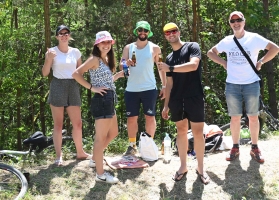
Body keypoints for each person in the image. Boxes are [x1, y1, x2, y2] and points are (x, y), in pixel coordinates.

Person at [207, 11, 279, 163]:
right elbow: (210, 52)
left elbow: (275, 48)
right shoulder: (227, 41)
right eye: (232, 21)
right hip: (232, 84)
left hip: (251, 84)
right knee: (235, 118)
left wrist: (261, 62)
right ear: (230, 24)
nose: (236, 23)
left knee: (253, 117)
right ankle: (235, 148)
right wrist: (223, 63)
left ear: (243, 21)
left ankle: (255, 148)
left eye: (238, 20)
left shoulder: (254, 38)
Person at [158, 22, 210, 184]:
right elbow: (169, 84)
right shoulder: (169, 58)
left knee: (198, 132)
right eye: (167, 33)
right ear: (165, 36)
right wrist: (166, 105)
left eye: (173, 31)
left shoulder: (192, 46)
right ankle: (183, 166)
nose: (171, 34)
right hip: (176, 99)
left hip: (194, 96)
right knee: (181, 132)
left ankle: (201, 168)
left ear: (179, 32)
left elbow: (193, 66)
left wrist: (170, 67)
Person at [72, 31, 125, 184]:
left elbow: (106, 81)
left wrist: (117, 76)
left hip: (109, 98)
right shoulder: (94, 59)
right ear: (97, 44)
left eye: (108, 42)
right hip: (102, 100)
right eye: (103, 43)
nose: (106, 45)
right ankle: (100, 174)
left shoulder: (105, 59)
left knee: (114, 132)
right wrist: (92, 88)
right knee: (100, 139)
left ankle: (96, 158)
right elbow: (76, 74)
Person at [42, 25, 91, 166]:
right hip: (57, 85)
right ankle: (58, 156)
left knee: (78, 123)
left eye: (66, 33)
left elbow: (80, 72)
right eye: (61, 33)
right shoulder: (51, 52)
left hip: (73, 85)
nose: (64, 36)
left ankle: (80, 153)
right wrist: (48, 59)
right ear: (57, 36)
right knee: (58, 124)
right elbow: (45, 73)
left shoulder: (75, 52)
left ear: (69, 36)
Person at [121, 21, 166, 155]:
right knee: (131, 118)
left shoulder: (155, 48)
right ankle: (132, 145)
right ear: (136, 31)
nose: (142, 32)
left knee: (150, 117)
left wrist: (164, 85)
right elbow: (122, 66)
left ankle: (148, 145)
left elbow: (160, 67)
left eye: (145, 30)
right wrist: (125, 64)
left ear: (149, 32)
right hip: (131, 89)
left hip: (149, 88)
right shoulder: (128, 48)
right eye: (140, 30)